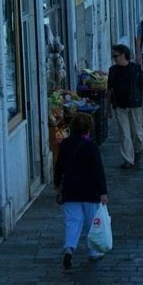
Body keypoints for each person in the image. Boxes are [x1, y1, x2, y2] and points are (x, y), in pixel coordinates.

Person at [54, 112, 108, 269]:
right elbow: (98, 171)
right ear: (88, 129)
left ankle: (69, 248)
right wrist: (103, 192)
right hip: (90, 192)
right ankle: (93, 252)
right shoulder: (91, 147)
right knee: (92, 223)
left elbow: (59, 167)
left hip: (70, 191)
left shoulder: (65, 144)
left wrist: (57, 183)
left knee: (72, 221)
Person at [106, 44, 143, 169]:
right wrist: (108, 107)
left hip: (135, 104)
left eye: (116, 55)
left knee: (137, 133)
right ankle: (128, 159)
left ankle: (137, 151)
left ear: (124, 55)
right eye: (113, 56)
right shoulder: (113, 71)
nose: (114, 58)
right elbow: (109, 89)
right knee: (124, 134)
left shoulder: (136, 68)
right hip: (119, 106)